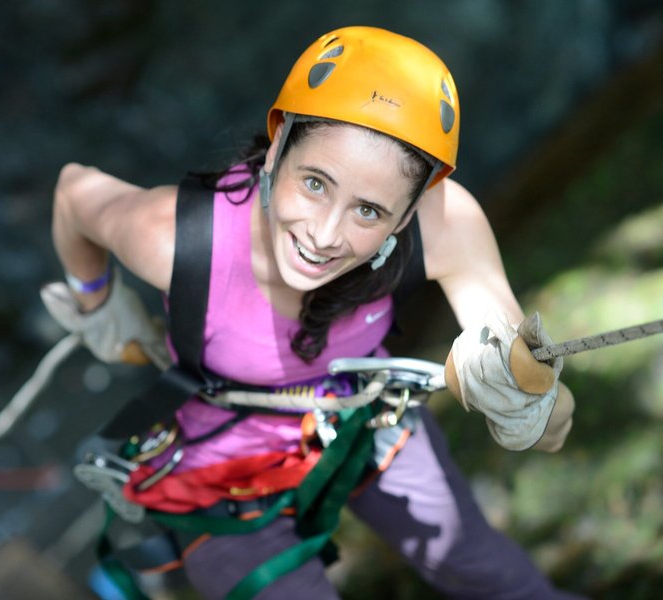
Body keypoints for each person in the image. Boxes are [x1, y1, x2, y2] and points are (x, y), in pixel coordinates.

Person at [46, 26, 578, 600]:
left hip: (363, 421)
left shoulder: (445, 224)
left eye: (369, 211)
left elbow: (538, 394)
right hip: (219, 467)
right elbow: (74, 192)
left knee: (495, 576)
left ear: (407, 216)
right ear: (277, 149)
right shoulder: (178, 240)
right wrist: (95, 300)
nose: (324, 236)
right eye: (316, 183)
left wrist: (532, 399)